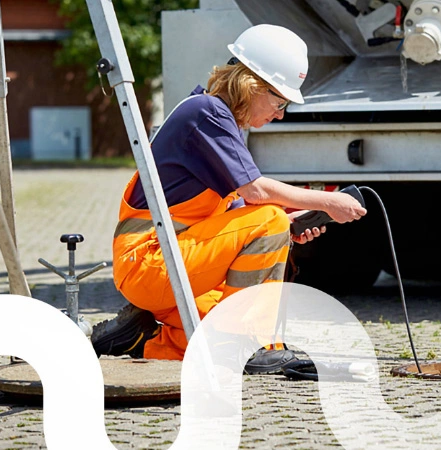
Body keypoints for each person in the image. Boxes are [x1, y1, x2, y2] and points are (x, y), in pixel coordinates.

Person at [90, 24, 366, 374]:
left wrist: (287, 228)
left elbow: (235, 216)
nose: (280, 114)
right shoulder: (208, 113)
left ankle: (139, 338)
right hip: (151, 263)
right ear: (252, 85)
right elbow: (256, 192)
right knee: (269, 218)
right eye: (279, 102)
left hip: (160, 268)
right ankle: (249, 345)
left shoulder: (216, 120)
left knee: (210, 331)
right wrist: (326, 202)